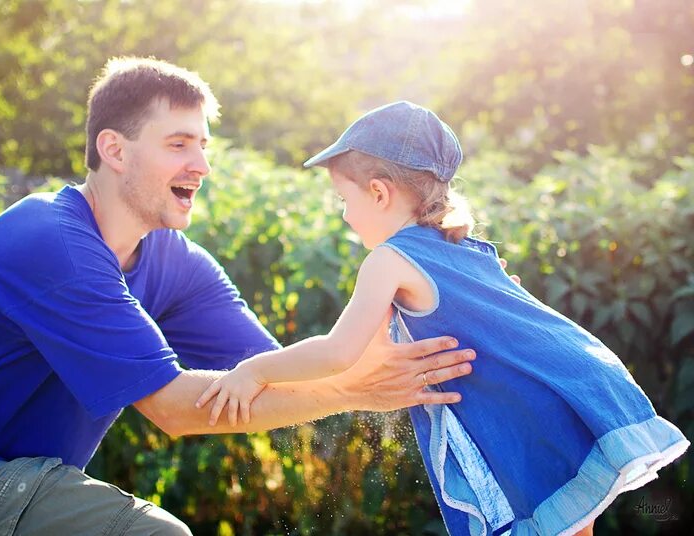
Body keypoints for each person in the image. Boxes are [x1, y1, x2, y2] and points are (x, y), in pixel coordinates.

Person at [0, 60, 481, 535]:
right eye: (179, 144)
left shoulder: (176, 263)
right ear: (115, 150)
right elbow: (175, 409)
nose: (201, 166)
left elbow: (269, 379)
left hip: (16, 484)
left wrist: (374, 363)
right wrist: (355, 388)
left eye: (203, 145)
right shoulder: (49, 242)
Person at [194, 101, 691, 536]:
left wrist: (254, 370)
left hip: (514, 421)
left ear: (379, 192)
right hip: (549, 400)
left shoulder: (389, 259)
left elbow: (337, 351)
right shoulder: (465, 249)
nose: (344, 216)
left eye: (345, 200)